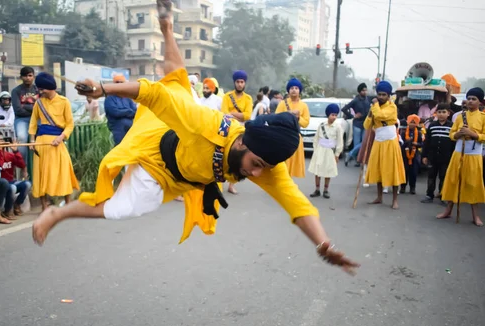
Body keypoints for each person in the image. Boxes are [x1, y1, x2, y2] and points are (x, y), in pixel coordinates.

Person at [31, 0, 359, 275]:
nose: (257, 174)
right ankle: (58, 213)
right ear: (243, 141)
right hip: (158, 154)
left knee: (179, 81)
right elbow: (153, 94)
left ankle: (167, 27)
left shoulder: (266, 165)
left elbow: (298, 205)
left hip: (185, 177)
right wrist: (103, 89)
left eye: (264, 168)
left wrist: (323, 244)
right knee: (123, 207)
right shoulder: (208, 124)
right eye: (256, 164)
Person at [28, 72, 80, 211]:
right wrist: (32, 141)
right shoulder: (39, 103)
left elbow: (70, 124)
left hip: (58, 143)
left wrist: (61, 137)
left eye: (42, 89)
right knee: (41, 174)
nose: (40, 91)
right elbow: (33, 123)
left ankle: (68, 205)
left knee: (63, 171)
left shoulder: (64, 101)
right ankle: (44, 207)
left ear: (50, 88)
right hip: (41, 143)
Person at [436, 87, 485, 226]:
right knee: (453, 181)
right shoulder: (459, 117)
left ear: (479, 101)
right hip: (458, 153)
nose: (470, 101)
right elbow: (451, 135)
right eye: (468, 98)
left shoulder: (483, 118)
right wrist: (458, 134)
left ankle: (475, 215)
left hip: (474, 155)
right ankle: (448, 211)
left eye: (473, 99)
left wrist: (474, 134)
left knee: (472, 183)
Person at [364, 81, 406, 209]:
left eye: (384, 95)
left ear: (388, 96)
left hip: (390, 140)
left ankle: (394, 200)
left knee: (392, 169)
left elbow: (382, 116)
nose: (381, 97)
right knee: (378, 168)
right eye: (379, 94)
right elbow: (366, 125)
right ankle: (379, 197)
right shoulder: (375, 108)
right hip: (378, 140)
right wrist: (370, 115)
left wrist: (375, 107)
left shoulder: (392, 107)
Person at [221, 70, 253, 194]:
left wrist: (233, 113)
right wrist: (238, 115)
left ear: (244, 83)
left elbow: (247, 116)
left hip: (240, 130)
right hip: (227, 127)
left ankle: (231, 184)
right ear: (234, 83)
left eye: (242, 82)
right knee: (221, 153)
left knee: (237, 156)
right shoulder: (227, 96)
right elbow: (224, 113)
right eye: (238, 82)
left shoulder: (248, 98)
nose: (240, 84)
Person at [275, 78, 310, 178]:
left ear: (299, 90)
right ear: (288, 90)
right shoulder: (282, 103)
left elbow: (306, 123)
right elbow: (276, 118)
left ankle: (288, 183)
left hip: (295, 136)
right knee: (282, 163)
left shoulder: (304, 106)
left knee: (292, 163)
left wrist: (298, 117)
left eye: (296, 88)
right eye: (291, 88)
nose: (294, 90)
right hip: (283, 136)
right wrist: (287, 114)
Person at [0, 131, 31, 216]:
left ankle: (17, 205)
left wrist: (16, 151)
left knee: (27, 184)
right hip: (0, 183)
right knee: (12, 188)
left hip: (11, 181)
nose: (2, 142)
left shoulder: (9, 155)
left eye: (3, 140)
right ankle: (7, 211)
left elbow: (21, 165)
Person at [308, 104, 344, 199]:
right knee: (317, 170)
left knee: (328, 170)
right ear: (328, 114)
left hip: (330, 151)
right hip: (320, 150)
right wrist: (316, 150)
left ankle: (326, 190)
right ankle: (317, 189)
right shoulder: (322, 125)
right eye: (332, 114)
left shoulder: (337, 127)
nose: (334, 117)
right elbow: (316, 138)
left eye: (336, 115)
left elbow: (340, 141)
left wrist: (337, 154)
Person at [421, 103, 454, 203]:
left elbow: (454, 143)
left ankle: (442, 195)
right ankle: (429, 195)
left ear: (448, 113)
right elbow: (427, 142)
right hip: (432, 157)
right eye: (439, 112)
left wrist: (453, 157)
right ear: (436, 113)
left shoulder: (452, 126)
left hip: (446, 157)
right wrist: (424, 156)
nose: (441, 114)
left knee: (443, 177)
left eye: (444, 112)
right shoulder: (432, 126)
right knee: (431, 176)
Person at [11, 66, 38, 161]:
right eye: (25, 76)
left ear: (33, 76)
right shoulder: (16, 91)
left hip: (37, 118)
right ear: (21, 77)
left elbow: (41, 107)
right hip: (21, 119)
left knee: (43, 136)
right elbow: (18, 109)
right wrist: (33, 108)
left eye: (30, 75)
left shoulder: (38, 89)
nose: (28, 78)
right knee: (22, 138)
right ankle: (24, 165)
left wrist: (25, 106)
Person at [342, 83, 371, 167]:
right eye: (363, 90)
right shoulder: (355, 100)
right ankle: (357, 160)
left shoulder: (368, 99)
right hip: (357, 124)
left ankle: (350, 154)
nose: (365, 92)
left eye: (366, 90)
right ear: (359, 91)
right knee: (357, 143)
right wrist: (353, 116)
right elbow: (344, 109)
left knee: (364, 142)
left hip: (366, 124)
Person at [105, 74, 137, 146]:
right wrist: (128, 111)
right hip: (117, 128)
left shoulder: (128, 98)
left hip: (130, 128)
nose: (119, 84)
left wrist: (124, 111)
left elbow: (135, 111)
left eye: (121, 82)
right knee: (120, 147)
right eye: (117, 82)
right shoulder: (110, 98)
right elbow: (115, 112)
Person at [399, 114, 423, 195]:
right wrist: (407, 142)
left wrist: (416, 144)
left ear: (416, 123)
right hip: (404, 154)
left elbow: (422, 144)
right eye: (411, 122)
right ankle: (403, 187)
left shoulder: (419, 133)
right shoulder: (403, 132)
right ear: (408, 122)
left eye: (414, 122)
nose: (412, 124)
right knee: (404, 171)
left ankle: (412, 188)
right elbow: (401, 143)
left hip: (414, 155)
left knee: (413, 172)